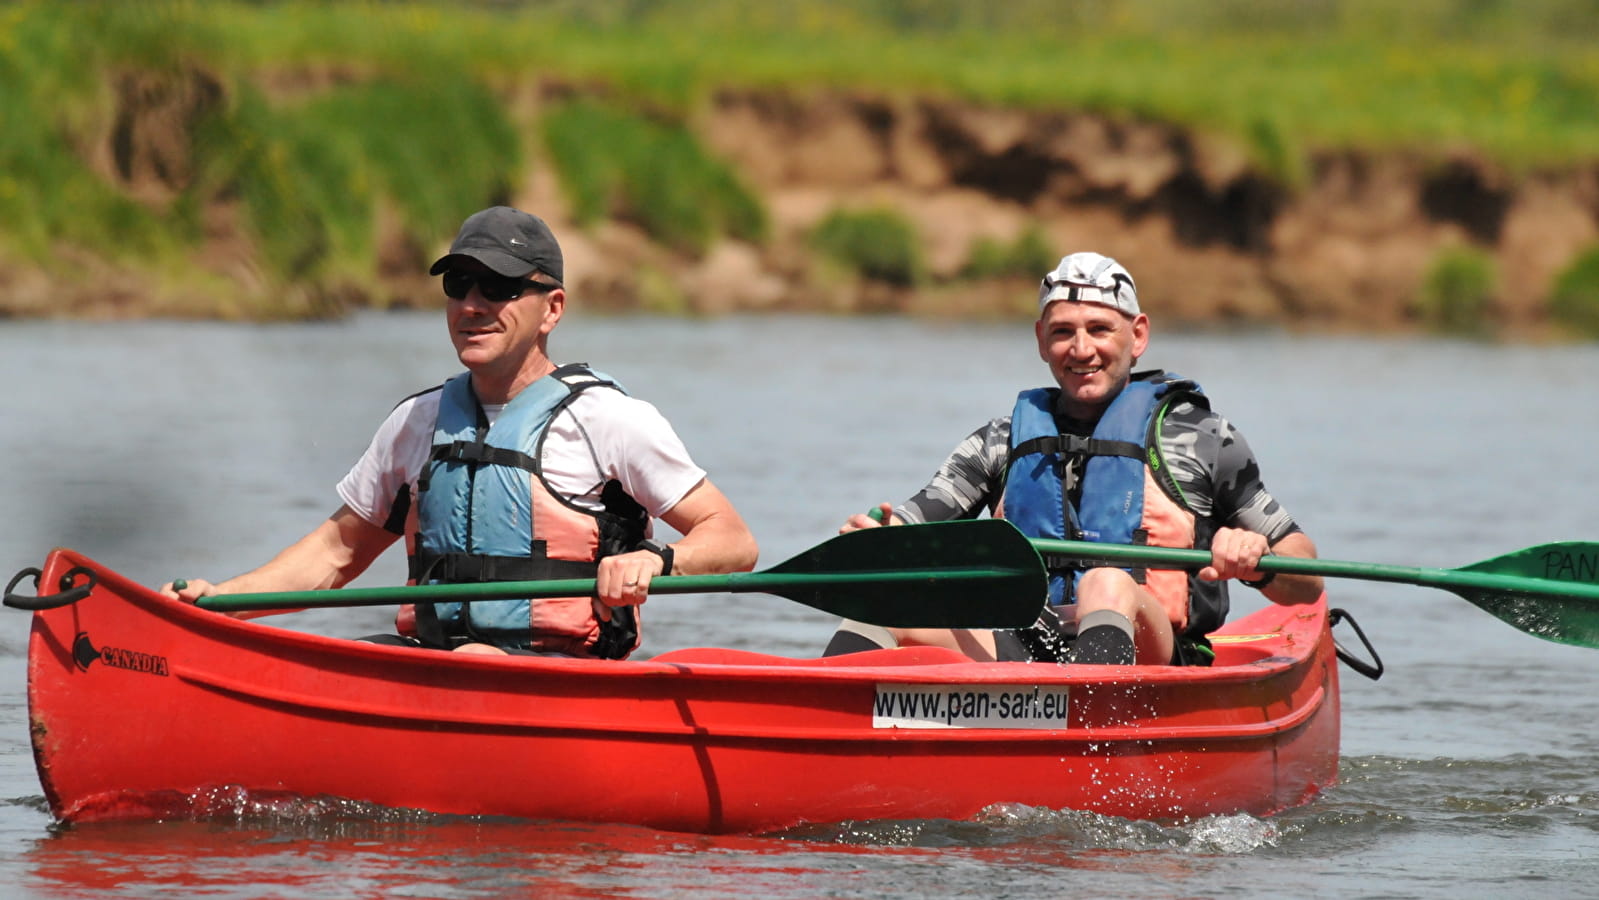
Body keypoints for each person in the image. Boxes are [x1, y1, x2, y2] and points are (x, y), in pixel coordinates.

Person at [163, 205, 758, 658]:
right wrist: (221, 604)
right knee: (342, 658)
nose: (472, 306)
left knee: (475, 659)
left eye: (497, 288)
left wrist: (657, 560)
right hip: (434, 661)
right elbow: (335, 552)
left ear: (552, 308)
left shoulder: (609, 419)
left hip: (559, 674)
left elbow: (733, 540)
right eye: (458, 286)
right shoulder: (417, 422)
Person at [826, 251, 1321, 666]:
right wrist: (877, 539)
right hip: (1025, 647)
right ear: (1041, 340)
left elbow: (1306, 578)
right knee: (883, 607)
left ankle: (1088, 731)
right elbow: (911, 526)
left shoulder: (1202, 439)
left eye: (1099, 329)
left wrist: (1256, 560)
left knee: (1107, 583)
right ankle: (821, 718)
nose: (1081, 349)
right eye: (1063, 332)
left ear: (1138, 335)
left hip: (1155, 659)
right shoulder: (999, 442)